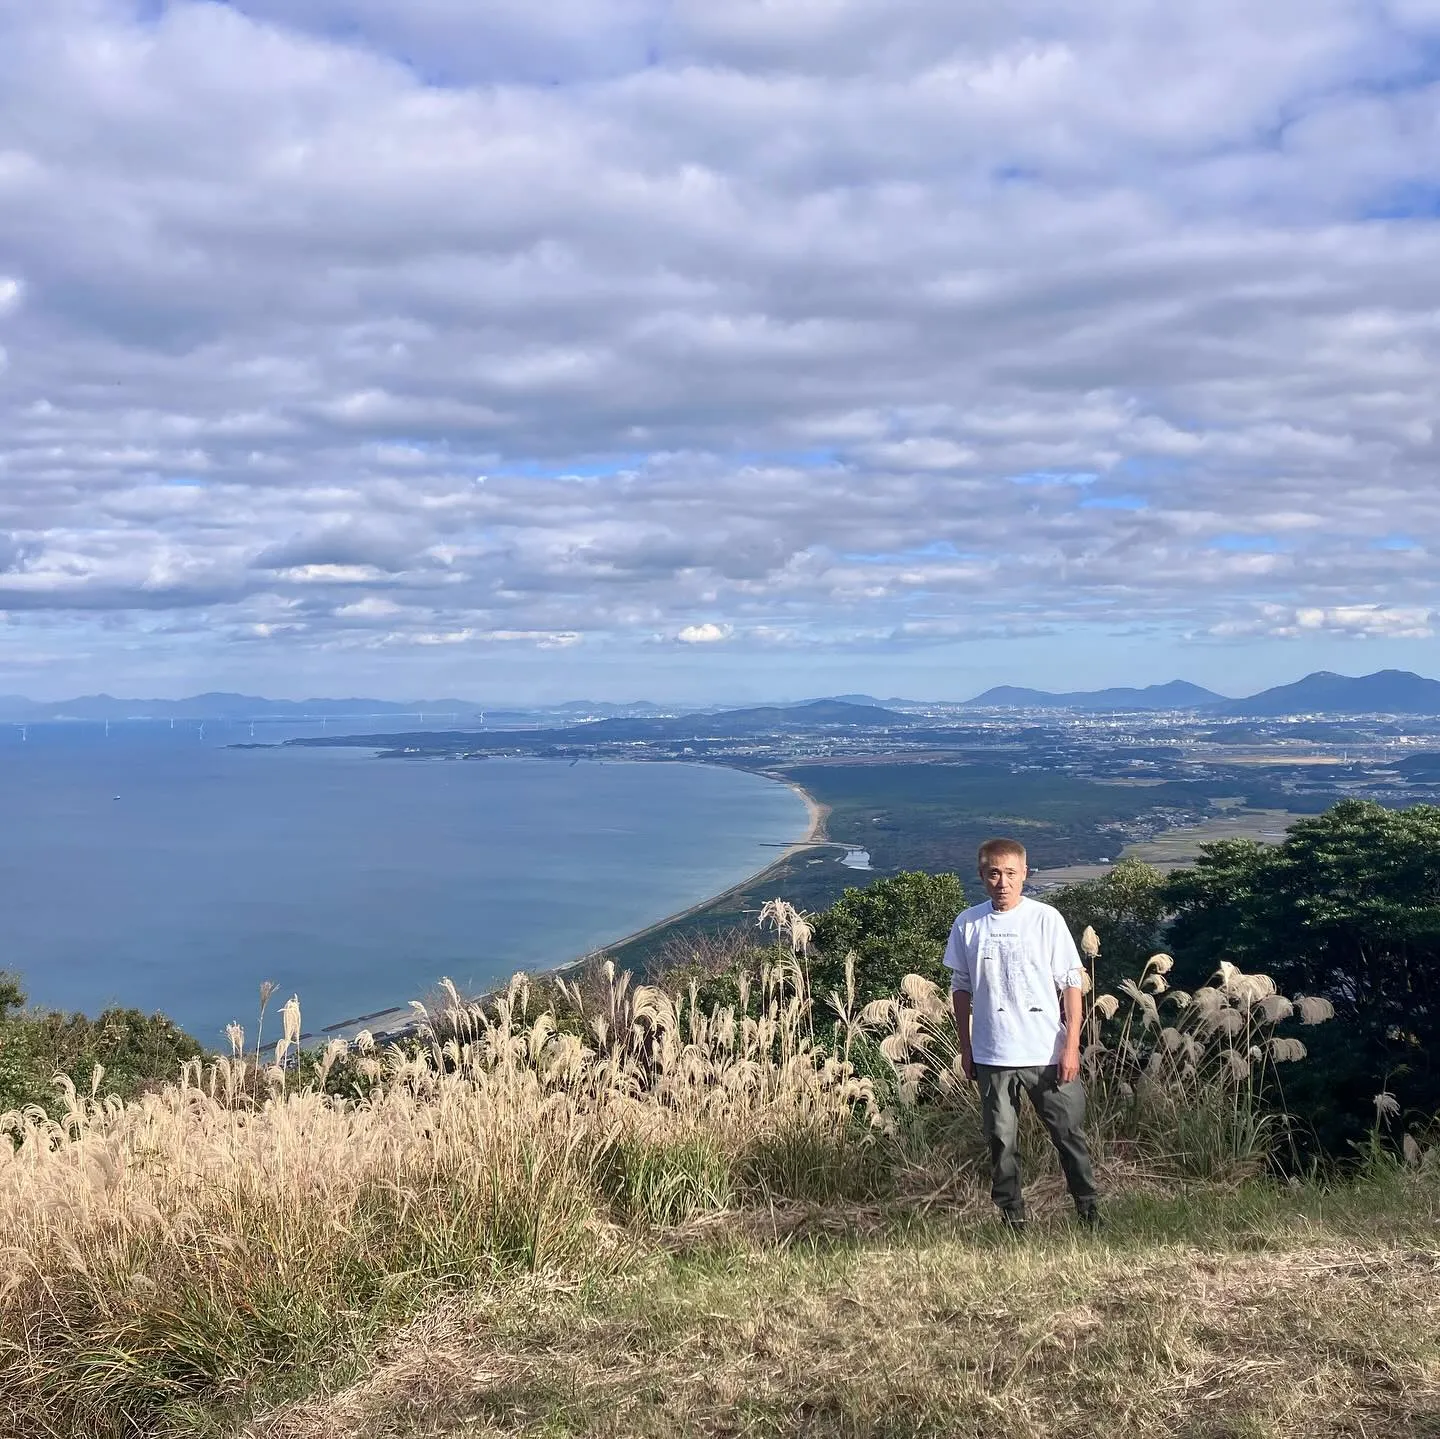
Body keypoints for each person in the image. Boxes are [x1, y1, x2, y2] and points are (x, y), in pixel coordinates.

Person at [945, 836, 1101, 1230]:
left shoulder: (1046, 919)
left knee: (1069, 1136)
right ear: (982, 876)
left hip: (1047, 1052)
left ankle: (1089, 1212)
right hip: (992, 1054)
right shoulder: (967, 923)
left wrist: (1071, 1046)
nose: (1003, 882)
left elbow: (1070, 984)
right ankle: (1012, 1219)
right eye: (994, 873)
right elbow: (960, 987)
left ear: (1024, 874)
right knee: (1001, 1142)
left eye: (1010, 873)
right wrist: (966, 1047)